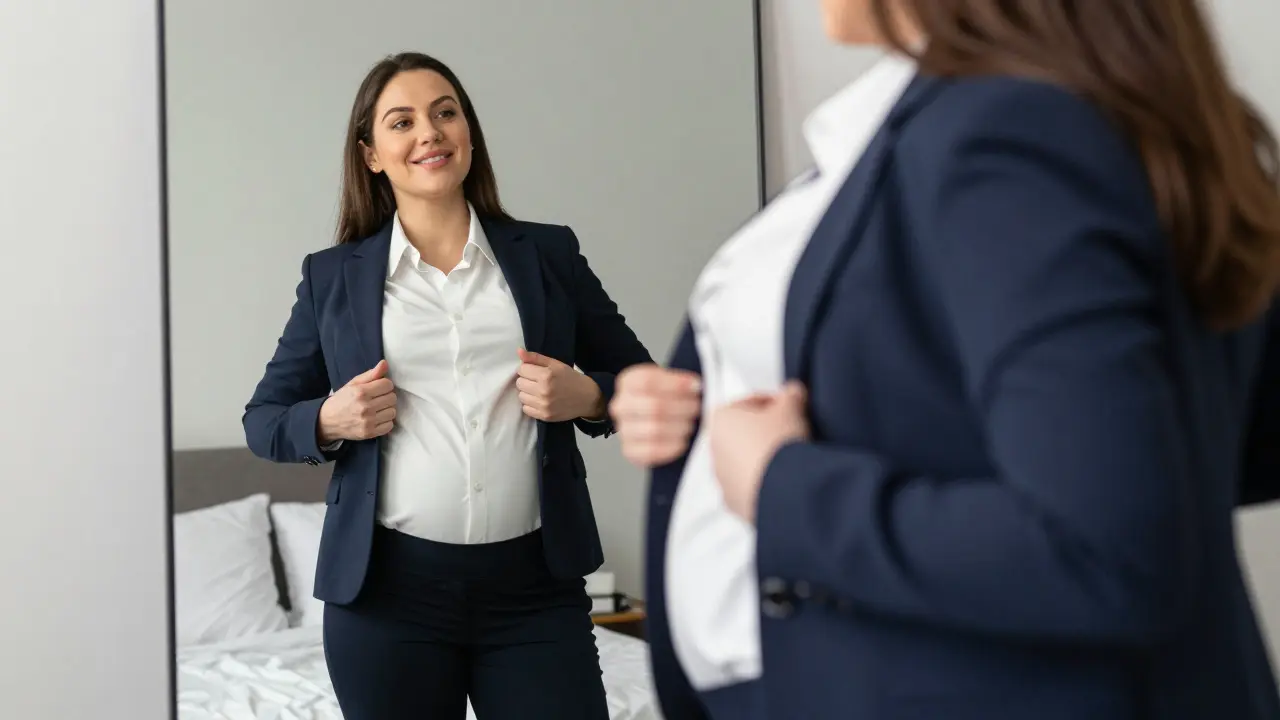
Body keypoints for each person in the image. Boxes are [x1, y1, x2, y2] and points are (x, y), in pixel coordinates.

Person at [610, 1, 1280, 718]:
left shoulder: (1006, 131)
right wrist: (703, 399)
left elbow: (1108, 548)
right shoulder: (1065, 119)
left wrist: (782, 487)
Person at [243, 51, 652, 720]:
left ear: (468, 133)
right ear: (371, 153)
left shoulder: (548, 255)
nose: (429, 133)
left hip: (535, 592)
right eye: (402, 122)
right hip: (385, 598)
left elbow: (645, 384)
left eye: (445, 113)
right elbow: (263, 420)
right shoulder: (332, 278)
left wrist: (593, 398)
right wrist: (329, 419)